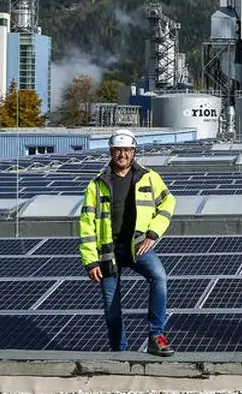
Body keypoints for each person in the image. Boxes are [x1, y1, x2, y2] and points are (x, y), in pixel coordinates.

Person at [79, 128, 177, 357]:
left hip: (138, 245)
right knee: (111, 308)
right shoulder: (96, 184)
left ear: (134, 152)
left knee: (159, 277)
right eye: (118, 150)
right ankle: (119, 352)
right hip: (108, 251)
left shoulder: (149, 177)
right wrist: (90, 261)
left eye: (127, 150)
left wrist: (153, 234)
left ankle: (156, 336)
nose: (122, 154)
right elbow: (86, 224)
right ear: (111, 152)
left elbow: (168, 203)